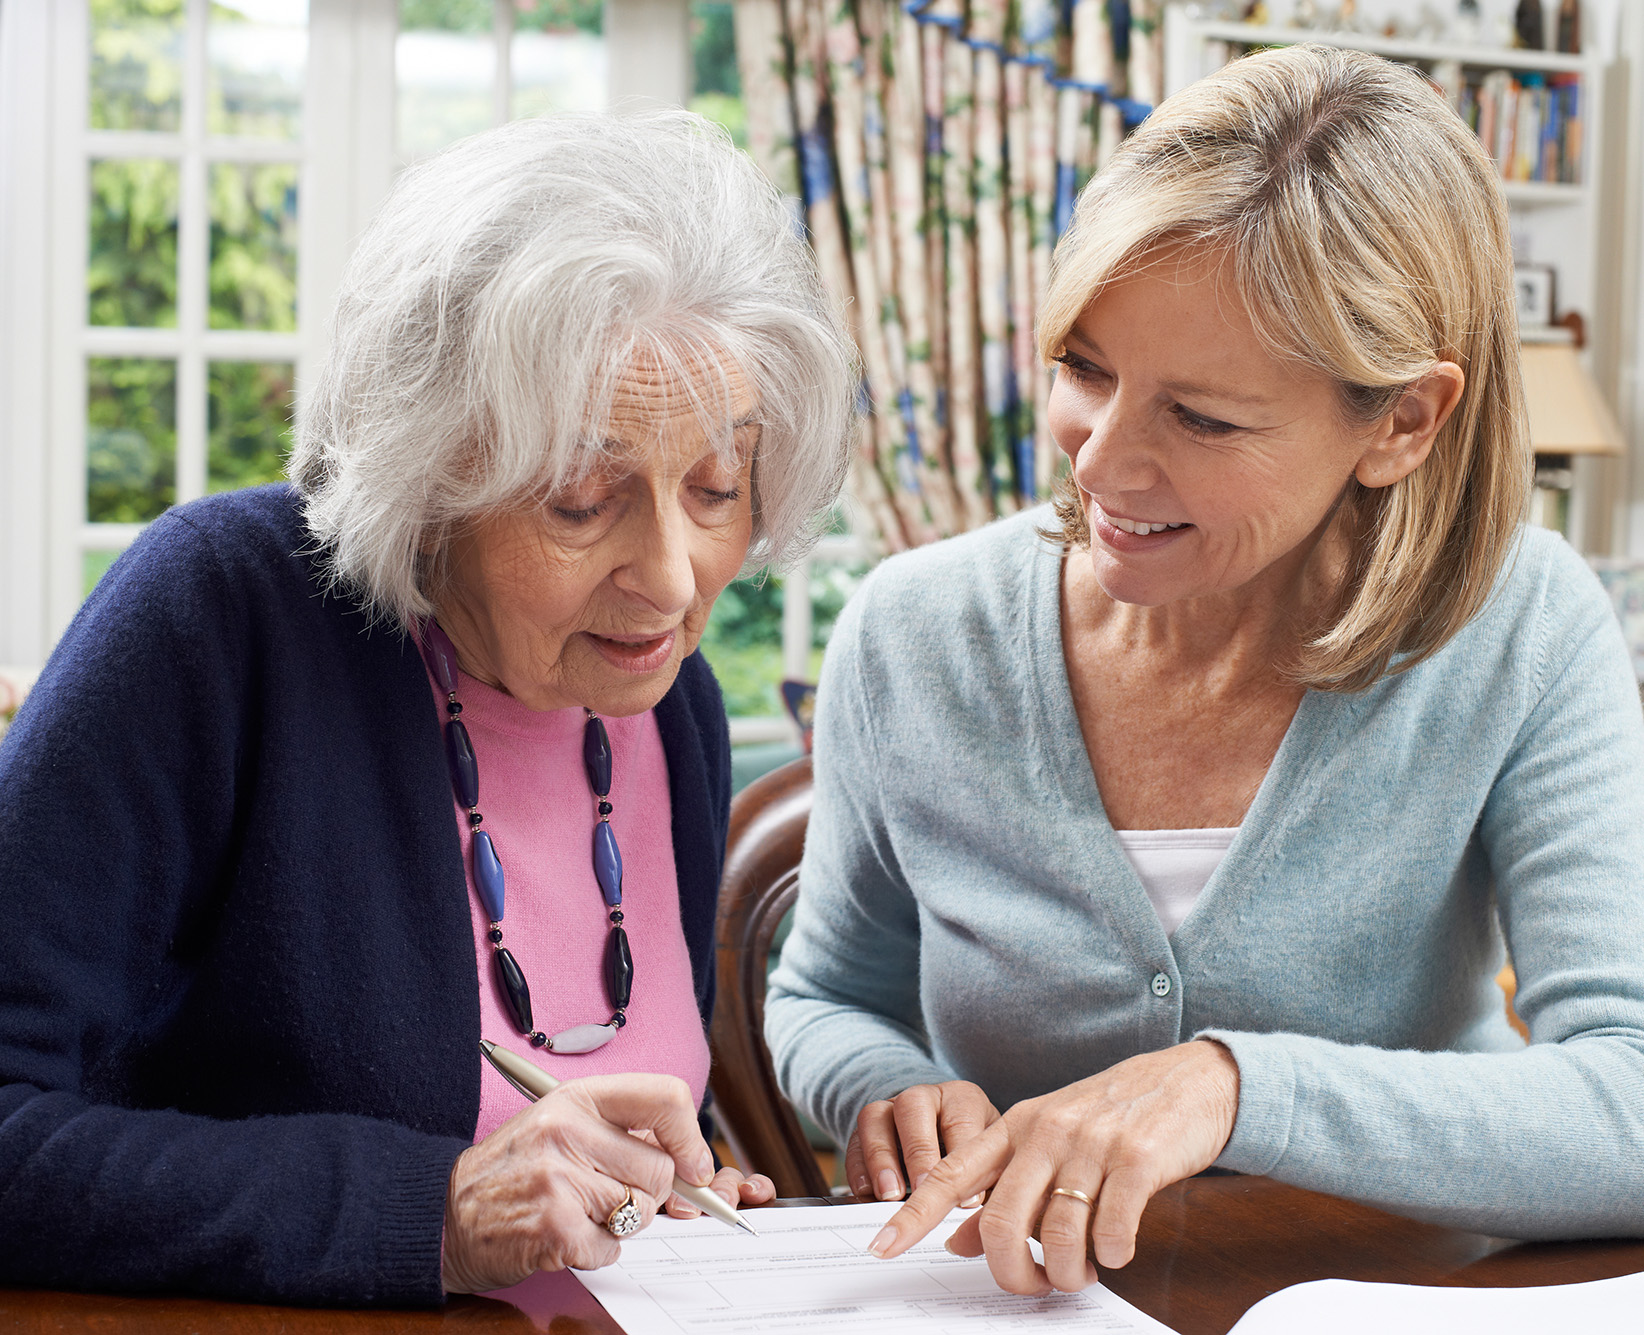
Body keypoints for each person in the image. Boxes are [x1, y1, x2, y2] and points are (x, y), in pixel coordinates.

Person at [766, 43, 1644, 1299]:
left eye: (1204, 417)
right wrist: (884, 1088)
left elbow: (1629, 1100)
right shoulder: (910, 631)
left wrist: (1233, 1088)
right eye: (1085, 369)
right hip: (1026, 1307)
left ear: (1402, 422)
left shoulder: (1523, 624)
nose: (1102, 464)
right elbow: (827, 996)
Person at [0, 111, 855, 1305]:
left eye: (717, 488)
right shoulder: (222, 615)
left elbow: (618, 1123)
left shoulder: (671, 703)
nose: (670, 577)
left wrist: (653, 1183)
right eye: (579, 501)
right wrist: (434, 1210)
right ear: (429, 472)